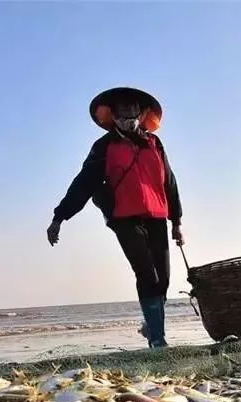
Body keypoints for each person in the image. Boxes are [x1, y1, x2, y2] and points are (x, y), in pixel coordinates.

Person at [48, 87, 183, 348]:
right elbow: (83, 183)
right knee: (147, 275)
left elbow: (170, 181)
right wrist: (59, 217)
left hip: (156, 215)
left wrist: (176, 221)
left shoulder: (155, 143)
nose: (127, 117)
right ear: (113, 115)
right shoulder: (104, 147)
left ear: (141, 113)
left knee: (163, 278)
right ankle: (157, 338)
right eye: (121, 113)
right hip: (124, 217)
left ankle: (151, 323)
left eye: (131, 112)